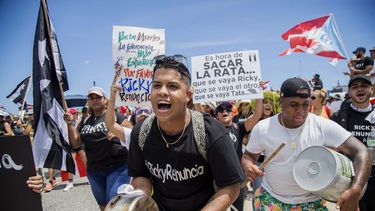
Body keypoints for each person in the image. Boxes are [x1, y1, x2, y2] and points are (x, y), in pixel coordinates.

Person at [127, 55, 244, 211]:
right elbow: (140, 175)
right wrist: (140, 200)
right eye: (156, 85)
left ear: (188, 95)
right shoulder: (141, 132)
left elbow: (231, 187)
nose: (162, 92)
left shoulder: (211, 132)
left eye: (172, 86)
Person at [242, 77, 371, 211]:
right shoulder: (263, 128)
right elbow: (249, 155)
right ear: (281, 102)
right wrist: (248, 165)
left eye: (306, 104)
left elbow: (362, 151)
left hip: (312, 203)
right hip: (270, 200)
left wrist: (356, 188)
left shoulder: (322, 125)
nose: (301, 110)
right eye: (293, 104)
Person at [64, 86, 130, 210]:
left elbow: (132, 132)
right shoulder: (85, 120)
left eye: (98, 97)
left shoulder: (115, 115)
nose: (95, 100)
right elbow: (76, 143)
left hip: (117, 166)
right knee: (102, 205)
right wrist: (70, 125)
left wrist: (119, 132)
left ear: (105, 100)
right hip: (94, 170)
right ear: (88, 101)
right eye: (91, 97)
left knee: (113, 204)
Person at [331, 75, 375, 211]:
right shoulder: (339, 117)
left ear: (371, 90)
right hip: (349, 179)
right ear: (349, 92)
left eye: (364, 86)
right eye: (355, 87)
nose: (360, 89)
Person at [215, 99, 262, 211]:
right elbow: (201, 115)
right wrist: (197, 100)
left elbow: (257, 115)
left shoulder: (239, 127)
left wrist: (258, 95)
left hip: (237, 177)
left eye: (228, 109)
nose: (224, 111)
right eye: (220, 109)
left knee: (237, 208)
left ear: (233, 112)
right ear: (216, 115)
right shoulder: (212, 128)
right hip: (218, 177)